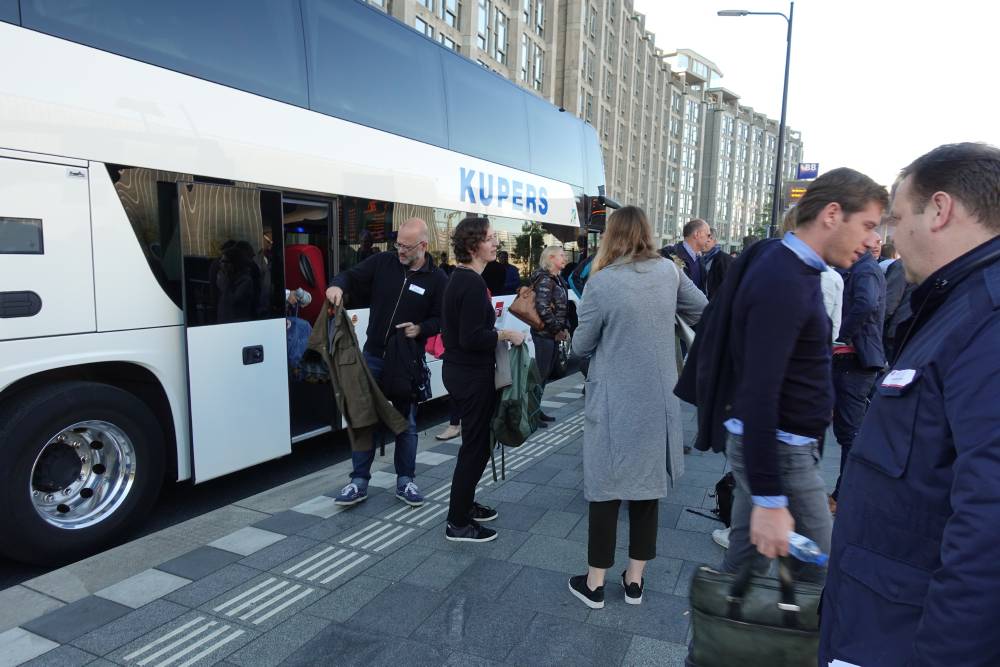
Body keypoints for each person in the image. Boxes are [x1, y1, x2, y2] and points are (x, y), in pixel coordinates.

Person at [819, 142, 1000, 667]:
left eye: (897, 217)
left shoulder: (985, 317)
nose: (890, 236)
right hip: (876, 618)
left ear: (939, 210)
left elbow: (988, 526)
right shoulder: (955, 305)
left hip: (903, 636)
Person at [720, 168, 887, 585]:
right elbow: (758, 391)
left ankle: (718, 643)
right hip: (781, 451)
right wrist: (772, 498)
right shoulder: (785, 278)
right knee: (823, 577)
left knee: (741, 577)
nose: (872, 240)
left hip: (781, 448)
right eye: (867, 225)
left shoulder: (796, 268)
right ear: (833, 213)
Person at [567, 206, 706, 609]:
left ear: (612, 236)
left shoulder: (602, 282)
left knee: (605, 486)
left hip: (613, 399)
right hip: (659, 398)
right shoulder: (668, 272)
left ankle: (594, 584)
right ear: (647, 232)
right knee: (648, 488)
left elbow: (580, 346)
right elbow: (703, 310)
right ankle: (634, 581)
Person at [325, 218, 446, 508]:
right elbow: (350, 276)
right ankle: (358, 482)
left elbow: (442, 318)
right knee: (363, 419)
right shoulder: (383, 262)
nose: (400, 251)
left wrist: (420, 329)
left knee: (406, 423)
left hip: (407, 360)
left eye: (406, 246)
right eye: (398, 244)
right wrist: (336, 286)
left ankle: (405, 481)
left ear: (424, 246)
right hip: (374, 356)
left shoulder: (438, 279)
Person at [442, 216, 526, 543]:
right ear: (472, 245)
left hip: (463, 373)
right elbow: (471, 337)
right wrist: (506, 334)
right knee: (475, 449)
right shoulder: (470, 283)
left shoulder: (462, 279)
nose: (495, 244)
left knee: (475, 446)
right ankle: (458, 523)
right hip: (471, 375)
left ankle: (465, 505)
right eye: (490, 239)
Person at [829, 231, 887, 513]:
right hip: (851, 359)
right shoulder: (858, 266)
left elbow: (865, 304)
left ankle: (844, 496)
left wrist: (841, 335)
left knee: (850, 433)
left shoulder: (865, 269)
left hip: (855, 361)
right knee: (846, 431)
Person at [529, 245, 570, 425]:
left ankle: (536, 411)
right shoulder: (546, 279)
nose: (565, 258)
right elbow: (543, 308)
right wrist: (557, 330)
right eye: (561, 255)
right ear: (551, 258)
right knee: (541, 374)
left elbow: (561, 307)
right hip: (544, 334)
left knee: (544, 374)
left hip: (550, 334)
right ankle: (531, 413)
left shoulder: (557, 278)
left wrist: (564, 326)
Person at [660, 218, 711, 292]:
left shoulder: (700, 260)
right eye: (708, 235)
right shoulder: (669, 256)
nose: (709, 239)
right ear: (697, 234)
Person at [702, 226, 735, 299]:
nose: (703, 244)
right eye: (702, 240)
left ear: (715, 241)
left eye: (707, 241)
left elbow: (728, 285)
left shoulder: (724, 259)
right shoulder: (702, 259)